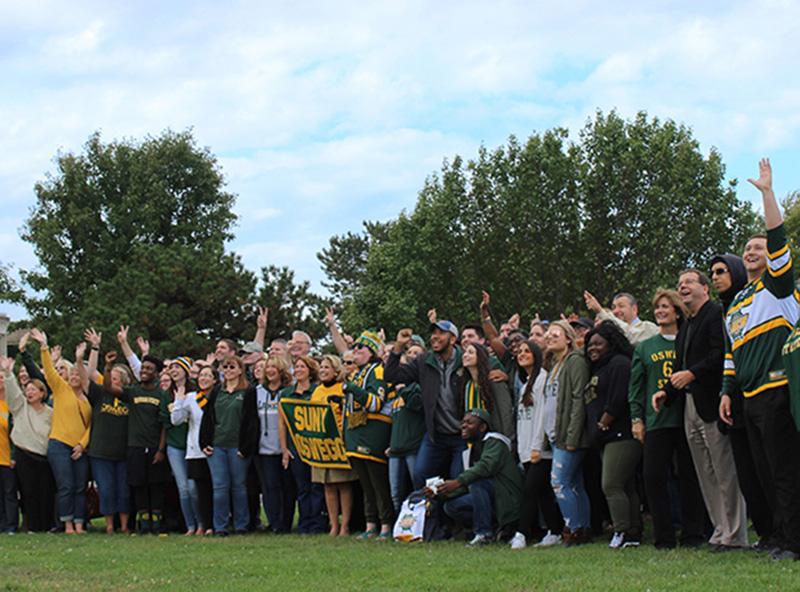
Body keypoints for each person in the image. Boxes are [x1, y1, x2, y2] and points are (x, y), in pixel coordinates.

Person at [721, 158, 800, 560]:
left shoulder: (780, 288)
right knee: (763, 472)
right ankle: (776, 535)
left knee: (786, 471)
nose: (753, 252)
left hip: (779, 389)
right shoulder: (736, 302)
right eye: (747, 249)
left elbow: (778, 236)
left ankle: (794, 541)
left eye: (759, 247)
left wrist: (768, 194)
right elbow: (732, 353)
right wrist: (726, 392)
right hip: (749, 396)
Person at [654, 269, 747, 550]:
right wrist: (666, 392)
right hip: (690, 406)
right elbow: (681, 368)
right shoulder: (688, 326)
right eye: (679, 284)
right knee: (705, 473)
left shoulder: (715, 315)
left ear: (704, 289)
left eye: (689, 283)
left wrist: (693, 374)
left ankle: (735, 534)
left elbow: (720, 355)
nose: (682, 287)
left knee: (724, 470)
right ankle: (720, 530)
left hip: (712, 401)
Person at [629, 289, 705, 549]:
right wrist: (636, 419)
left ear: (676, 311)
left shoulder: (687, 341)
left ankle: (693, 533)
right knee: (653, 477)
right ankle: (664, 536)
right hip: (657, 420)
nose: (660, 311)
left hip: (687, 416)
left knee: (690, 476)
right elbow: (636, 388)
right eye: (657, 307)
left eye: (665, 307)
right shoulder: (645, 347)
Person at [710, 253, 774, 546]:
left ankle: (782, 530)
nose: (715, 277)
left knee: (770, 468)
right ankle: (766, 532)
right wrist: (725, 391)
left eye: (721, 271)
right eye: (712, 273)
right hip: (734, 402)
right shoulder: (726, 309)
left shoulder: (759, 299)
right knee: (748, 473)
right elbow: (728, 355)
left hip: (763, 392)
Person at [385, 321, 466, 488]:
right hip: (436, 435)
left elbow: (488, 365)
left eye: (440, 333)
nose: (434, 337)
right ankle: (430, 514)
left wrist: (497, 371)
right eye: (433, 333)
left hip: (462, 435)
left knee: (458, 479)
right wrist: (399, 346)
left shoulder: (465, 358)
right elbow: (392, 375)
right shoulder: (423, 361)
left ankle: (452, 513)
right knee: (421, 475)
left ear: (452, 339)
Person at [583, 321, 641, 548]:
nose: (592, 348)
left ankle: (622, 531)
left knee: (611, 484)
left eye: (598, 343)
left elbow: (619, 399)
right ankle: (634, 532)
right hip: (605, 437)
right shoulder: (599, 368)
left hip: (622, 434)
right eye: (589, 345)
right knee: (625, 485)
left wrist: (603, 423)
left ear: (611, 343)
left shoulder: (620, 364)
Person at [428, 409, 523, 546]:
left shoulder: (495, 442)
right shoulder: (470, 451)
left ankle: (484, 534)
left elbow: (485, 467)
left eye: (469, 423)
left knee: (478, 482)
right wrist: (440, 491)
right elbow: (466, 486)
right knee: (451, 507)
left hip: (508, 499)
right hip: (492, 499)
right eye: (463, 422)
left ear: (482, 427)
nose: (463, 426)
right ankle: (494, 528)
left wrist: (457, 481)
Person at [30, 329, 91, 534]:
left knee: (80, 487)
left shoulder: (89, 400)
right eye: (71, 373)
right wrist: (44, 347)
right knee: (66, 486)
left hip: (79, 447)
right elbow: (48, 370)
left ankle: (80, 523)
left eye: (77, 374)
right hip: (58, 444)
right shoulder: (61, 389)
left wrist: (82, 444)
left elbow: (91, 426)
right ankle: (67, 524)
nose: (74, 376)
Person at [103, 347, 169, 535]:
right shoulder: (133, 391)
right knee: (138, 485)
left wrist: (161, 450)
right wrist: (108, 366)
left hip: (155, 447)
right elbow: (108, 387)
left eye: (149, 369)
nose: (145, 371)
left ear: (156, 373)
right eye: (143, 368)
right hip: (135, 447)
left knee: (155, 485)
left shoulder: (162, 394)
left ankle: (156, 523)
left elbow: (165, 424)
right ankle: (143, 524)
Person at [510, 340, 562, 549]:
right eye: (519, 351)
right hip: (526, 450)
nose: (522, 354)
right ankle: (555, 530)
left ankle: (521, 534)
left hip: (539, 450)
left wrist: (537, 446)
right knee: (543, 493)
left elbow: (542, 416)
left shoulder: (542, 380)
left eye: (527, 351)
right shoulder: (525, 384)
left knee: (529, 491)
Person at [81, 329, 132, 534]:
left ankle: (125, 525)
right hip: (101, 451)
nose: (114, 379)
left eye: (118, 377)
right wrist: (95, 348)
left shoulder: (129, 397)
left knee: (123, 491)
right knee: (107, 489)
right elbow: (89, 374)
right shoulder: (100, 394)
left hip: (123, 452)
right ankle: (110, 526)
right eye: (112, 376)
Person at [343, 331, 394, 539]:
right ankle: (370, 524)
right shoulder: (356, 372)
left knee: (378, 483)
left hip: (373, 432)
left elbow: (375, 403)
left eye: (360, 347)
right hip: (356, 434)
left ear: (372, 352)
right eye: (354, 346)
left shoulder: (378, 371)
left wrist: (353, 389)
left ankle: (386, 525)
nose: (355, 350)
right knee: (365, 485)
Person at [545, 320, 592, 545]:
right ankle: (582, 528)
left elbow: (578, 400)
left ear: (568, 338)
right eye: (548, 334)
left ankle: (572, 528)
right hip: (556, 435)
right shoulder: (554, 365)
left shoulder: (575, 361)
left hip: (569, 436)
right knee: (574, 483)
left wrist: (572, 437)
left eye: (555, 333)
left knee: (559, 481)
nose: (549, 337)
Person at [239, 356, 294, 533]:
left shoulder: (288, 392)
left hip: (285, 448)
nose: (270, 370)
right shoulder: (255, 391)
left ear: (281, 370)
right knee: (270, 487)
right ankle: (275, 523)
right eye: (268, 367)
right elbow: (247, 421)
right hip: (263, 448)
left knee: (287, 487)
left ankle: (286, 522)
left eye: (274, 367)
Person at [0, 357, 54, 532]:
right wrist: (8, 373)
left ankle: (46, 525)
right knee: (28, 492)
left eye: (33, 390)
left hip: (43, 456)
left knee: (45, 491)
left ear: (42, 393)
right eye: (27, 389)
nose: (29, 392)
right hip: (24, 455)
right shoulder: (20, 407)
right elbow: (13, 392)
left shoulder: (50, 412)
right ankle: (30, 525)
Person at [199, 355, 251, 535]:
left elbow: (251, 422)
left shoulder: (247, 392)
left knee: (239, 487)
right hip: (217, 445)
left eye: (232, 367)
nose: (228, 370)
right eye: (225, 367)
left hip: (238, 446)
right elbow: (207, 418)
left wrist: (246, 447)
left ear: (240, 370)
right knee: (220, 487)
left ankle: (241, 525)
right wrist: (204, 442)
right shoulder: (216, 392)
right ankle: (220, 526)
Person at [310, 355, 357, 536]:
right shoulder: (317, 391)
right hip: (321, 444)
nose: (322, 370)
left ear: (336, 371)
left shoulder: (342, 389)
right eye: (321, 367)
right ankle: (333, 524)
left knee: (343, 484)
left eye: (327, 367)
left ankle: (345, 525)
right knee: (327, 485)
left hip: (338, 442)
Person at [278, 355, 326, 534]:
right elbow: (281, 423)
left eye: (302, 367)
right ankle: (304, 524)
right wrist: (284, 449)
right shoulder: (286, 394)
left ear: (310, 371)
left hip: (315, 447)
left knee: (317, 487)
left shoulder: (317, 391)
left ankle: (318, 523)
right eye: (296, 367)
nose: (298, 370)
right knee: (302, 488)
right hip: (295, 447)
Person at [171, 365, 217, 535]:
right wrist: (179, 400)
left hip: (215, 449)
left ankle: (216, 524)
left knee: (216, 489)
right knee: (198, 491)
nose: (204, 378)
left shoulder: (218, 396)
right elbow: (176, 420)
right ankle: (202, 524)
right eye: (201, 375)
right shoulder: (191, 398)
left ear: (215, 379)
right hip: (195, 451)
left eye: (208, 375)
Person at [163, 356, 201, 535]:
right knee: (183, 487)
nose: (173, 370)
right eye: (171, 368)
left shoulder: (195, 393)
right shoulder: (166, 395)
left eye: (177, 367)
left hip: (193, 446)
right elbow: (167, 420)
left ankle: (201, 523)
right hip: (175, 446)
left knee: (194, 487)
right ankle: (190, 526)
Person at [387, 346, 426, 514]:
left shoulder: (418, 387)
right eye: (409, 352)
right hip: (395, 449)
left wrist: (404, 390)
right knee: (394, 492)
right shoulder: (394, 395)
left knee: (417, 487)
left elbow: (417, 404)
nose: (412, 356)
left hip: (413, 447)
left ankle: (420, 523)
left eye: (416, 353)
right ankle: (398, 526)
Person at [459, 343, 514, 439]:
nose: (465, 355)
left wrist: (507, 439)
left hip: (495, 436)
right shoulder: (468, 385)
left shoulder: (494, 380)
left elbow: (505, 413)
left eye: (471, 352)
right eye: (465, 352)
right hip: (475, 438)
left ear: (480, 357)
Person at [584, 291, 659, 346]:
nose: (616, 311)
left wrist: (600, 311)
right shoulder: (612, 332)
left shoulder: (648, 328)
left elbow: (632, 336)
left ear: (634, 309)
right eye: (613, 307)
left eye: (621, 306)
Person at [0, 365, 18, 532]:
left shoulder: (11, 406)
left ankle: (11, 525)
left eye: (2, 377)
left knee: (9, 493)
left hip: (7, 458)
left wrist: (14, 455)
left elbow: (15, 432)